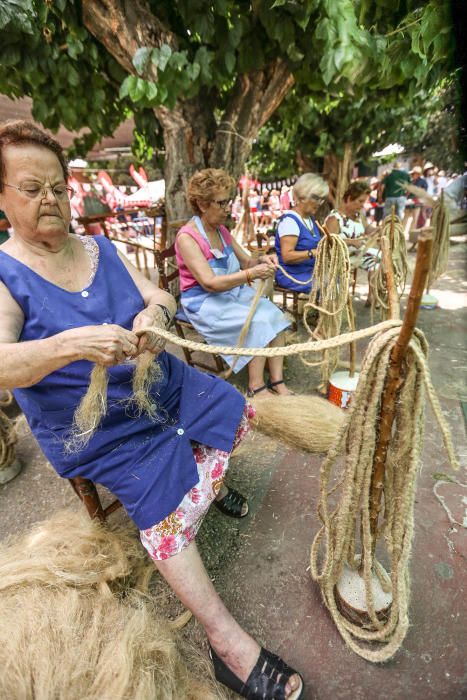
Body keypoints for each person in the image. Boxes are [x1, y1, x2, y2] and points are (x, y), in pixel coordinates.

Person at [0, 122, 304, 700]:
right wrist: (70, 345)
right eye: (31, 187)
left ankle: (203, 490)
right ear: (2, 197)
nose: (52, 199)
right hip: (99, 429)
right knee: (161, 505)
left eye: (59, 187)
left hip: (160, 384)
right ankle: (227, 646)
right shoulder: (5, 274)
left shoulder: (100, 247)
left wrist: (155, 318)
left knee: (231, 409)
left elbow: (158, 294)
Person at [175, 169, 293, 399]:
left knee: (274, 314)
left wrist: (261, 260)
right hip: (204, 302)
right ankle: (256, 387)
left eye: (229, 201)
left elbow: (246, 261)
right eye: (221, 203)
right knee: (258, 321)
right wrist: (251, 274)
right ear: (201, 204)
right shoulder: (187, 238)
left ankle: (278, 382)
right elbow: (209, 283)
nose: (228, 207)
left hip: (228, 293)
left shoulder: (221, 230)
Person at [274, 173, 328, 294]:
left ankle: (318, 312)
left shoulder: (310, 220)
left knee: (339, 281)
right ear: (302, 197)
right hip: (292, 275)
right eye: (316, 198)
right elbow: (287, 257)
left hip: (309, 272)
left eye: (321, 199)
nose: (319, 203)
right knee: (329, 287)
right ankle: (317, 312)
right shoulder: (290, 221)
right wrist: (313, 253)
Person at [325, 180, 381, 286]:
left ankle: (371, 299)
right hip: (340, 257)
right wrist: (351, 242)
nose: (362, 205)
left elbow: (367, 228)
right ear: (349, 198)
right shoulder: (334, 218)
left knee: (380, 263)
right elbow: (328, 241)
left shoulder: (359, 215)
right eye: (360, 201)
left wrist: (379, 229)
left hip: (359, 254)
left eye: (364, 202)